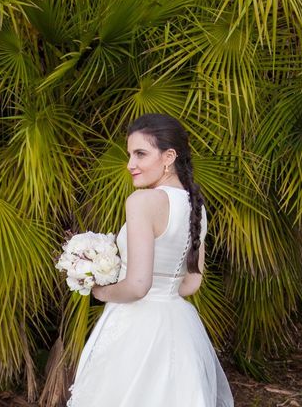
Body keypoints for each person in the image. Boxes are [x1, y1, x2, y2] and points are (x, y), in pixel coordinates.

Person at [66, 113, 234, 406]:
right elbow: (192, 282)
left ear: (168, 156)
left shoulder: (142, 202)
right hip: (178, 325)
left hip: (136, 325)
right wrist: (164, 292)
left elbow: (138, 286)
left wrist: (100, 290)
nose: (130, 164)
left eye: (140, 154)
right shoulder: (196, 205)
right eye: (129, 154)